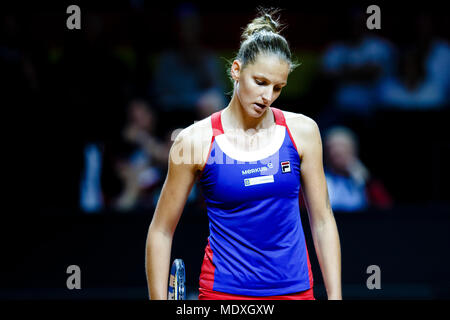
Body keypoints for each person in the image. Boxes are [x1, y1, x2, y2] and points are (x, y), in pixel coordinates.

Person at [145, 8, 342, 300]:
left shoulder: (303, 132)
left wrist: (335, 297)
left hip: (295, 291)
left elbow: (323, 220)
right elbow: (160, 231)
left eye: (278, 87)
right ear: (236, 70)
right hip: (225, 295)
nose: (268, 96)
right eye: (260, 82)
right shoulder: (194, 141)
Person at [323, 126, 393, 212]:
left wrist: (367, 181)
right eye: (332, 147)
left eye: (343, 146)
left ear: (353, 150)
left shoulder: (367, 182)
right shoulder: (318, 180)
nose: (337, 152)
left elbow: (386, 208)